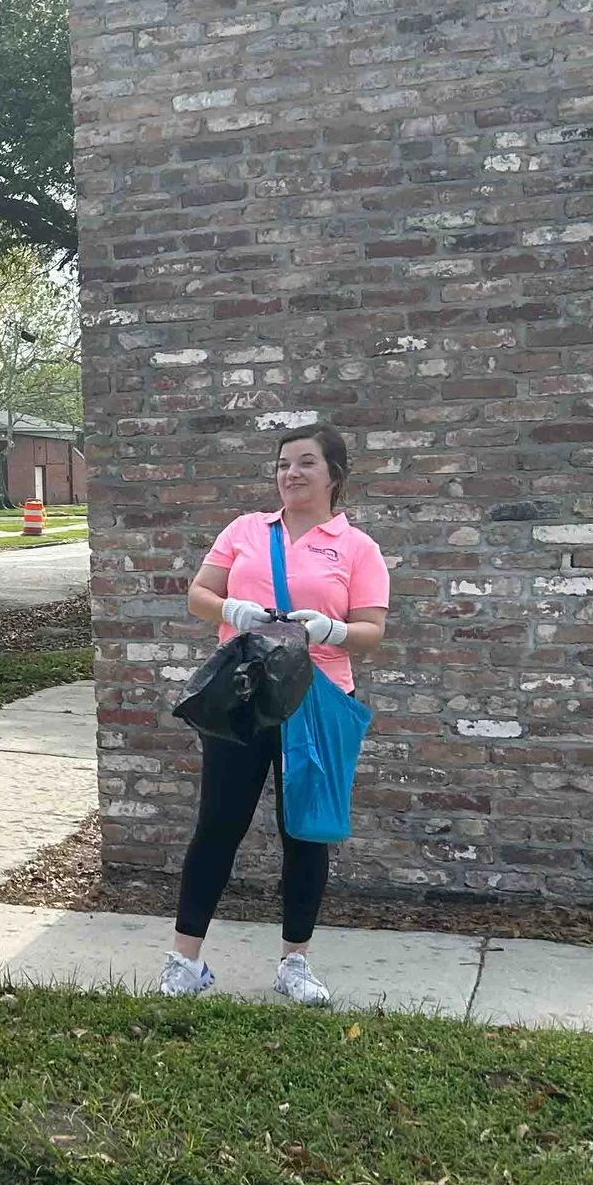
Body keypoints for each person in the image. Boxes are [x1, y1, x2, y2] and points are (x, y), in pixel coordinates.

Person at [162, 424, 390, 1007]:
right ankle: (185, 961)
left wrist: (330, 628)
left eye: (306, 463)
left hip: (316, 702)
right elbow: (198, 594)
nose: (292, 473)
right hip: (243, 696)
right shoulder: (244, 531)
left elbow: (371, 632)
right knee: (218, 822)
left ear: (334, 474)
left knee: (305, 832)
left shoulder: (357, 548)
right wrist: (232, 609)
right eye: (284, 463)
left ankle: (296, 962)